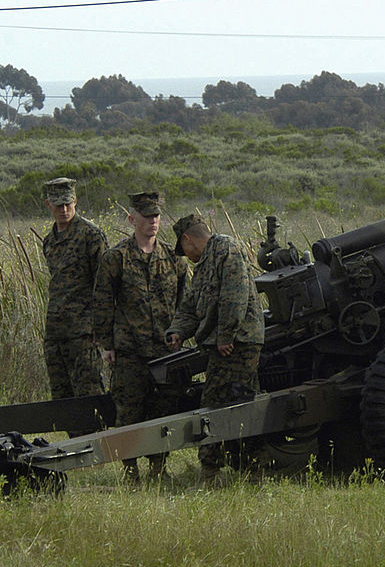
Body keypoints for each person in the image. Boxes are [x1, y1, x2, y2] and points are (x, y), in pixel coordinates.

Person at [93, 191, 189, 485]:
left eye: (157, 216)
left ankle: (159, 468)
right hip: (129, 351)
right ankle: (129, 471)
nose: (153, 222)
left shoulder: (174, 258)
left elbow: (187, 301)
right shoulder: (116, 258)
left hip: (165, 350)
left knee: (162, 411)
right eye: (147, 216)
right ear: (132, 219)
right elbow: (102, 302)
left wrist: (181, 333)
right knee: (129, 411)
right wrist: (106, 344)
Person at [166, 213, 265, 486]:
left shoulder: (226, 248)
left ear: (187, 239)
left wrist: (225, 335)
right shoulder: (203, 265)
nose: (185, 255)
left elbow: (235, 294)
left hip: (238, 344)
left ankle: (214, 473)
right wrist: (177, 332)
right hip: (224, 344)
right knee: (235, 403)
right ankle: (248, 470)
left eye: (183, 249)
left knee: (218, 405)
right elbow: (191, 305)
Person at [40, 177, 107, 401]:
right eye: (59, 205)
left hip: (84, 333)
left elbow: (104, 284)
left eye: (68, 203)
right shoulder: (50, 241)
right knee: (62, 399)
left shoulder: (91, 235)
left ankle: (96, 437)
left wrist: (101, 328)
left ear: (76, 201)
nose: (64, 209)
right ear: (49, 204)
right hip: (56, 332)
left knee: (89, 398)